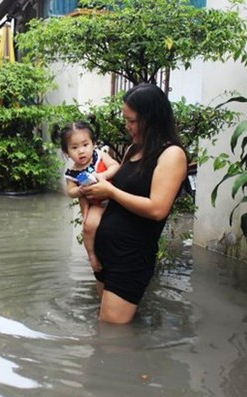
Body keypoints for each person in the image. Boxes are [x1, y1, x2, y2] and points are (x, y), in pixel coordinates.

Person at [80, 84, 188, 324]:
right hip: (108, 251)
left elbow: (157, 209)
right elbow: (123, 196)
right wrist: (99, 191)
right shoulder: (133, 149)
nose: (128, 126)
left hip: (131, 257)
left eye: (133, 121)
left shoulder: (171, 155)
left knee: (112, 334)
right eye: (126, 120)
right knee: (106, 327)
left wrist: (112, 191)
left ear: (152, 118)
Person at [57, 121, 120, 272]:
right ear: (66, 153)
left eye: (85, 145)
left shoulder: (100, 156)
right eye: (74, 147)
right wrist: (80, 190)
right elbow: (70, 192)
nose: (81, 151)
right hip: (97, 204)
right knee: (89, 226)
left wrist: (102, 176)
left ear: (93, 144)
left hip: (115, 198)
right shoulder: (72, 173)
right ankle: (92, 256)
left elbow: (116, 166)